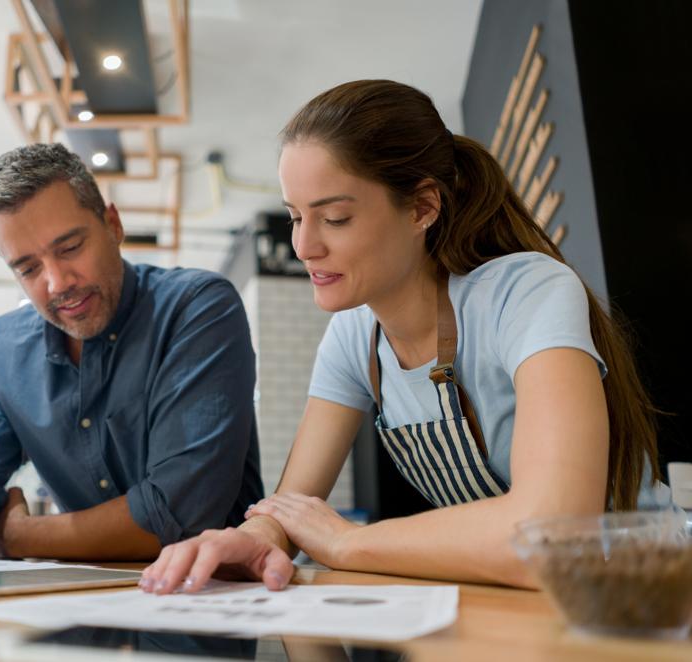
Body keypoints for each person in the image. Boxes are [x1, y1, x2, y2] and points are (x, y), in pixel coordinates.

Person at [139, 79, 661, 592]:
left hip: (639, 594)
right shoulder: (352, 335)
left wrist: (346, 543)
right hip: (512, 604)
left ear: (422, 208)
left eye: (335, 218)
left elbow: (556, 538)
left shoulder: (525, 292)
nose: (303, 245)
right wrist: (254, 536)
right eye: (296, 216)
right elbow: (293, 506)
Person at [0, 143, 263, 572]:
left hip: (215, 601)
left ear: (113, 225)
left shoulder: (196, 308)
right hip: (82, 611)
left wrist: (16, 534)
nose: (58, 282)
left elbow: (178, 515)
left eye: (69, 248)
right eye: (28, 268)